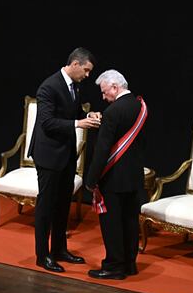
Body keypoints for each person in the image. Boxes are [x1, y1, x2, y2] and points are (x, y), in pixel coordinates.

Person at [29, 47, 101, 272]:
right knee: (46, 206)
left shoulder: (74, 85)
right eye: (87, 71)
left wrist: (86, 116)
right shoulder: (49, 87)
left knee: (62, 205)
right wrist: (77, 124)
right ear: (76, 64)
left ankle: (59, 249)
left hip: (66, 155)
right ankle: (43, 255)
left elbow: (74, 112)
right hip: (49, 156)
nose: (88, 76)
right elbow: (47, 123)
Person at [84, 69, 148, 280]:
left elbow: (102, 150)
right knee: (130, 222)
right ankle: (129, 264)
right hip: (133, 176)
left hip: (113, 178)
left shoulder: (113, 112)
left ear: (115, 87)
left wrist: (91, 180)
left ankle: (113, 267)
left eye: (104, 92)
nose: (103, 97)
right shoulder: (140, 105)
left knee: (112, 225)